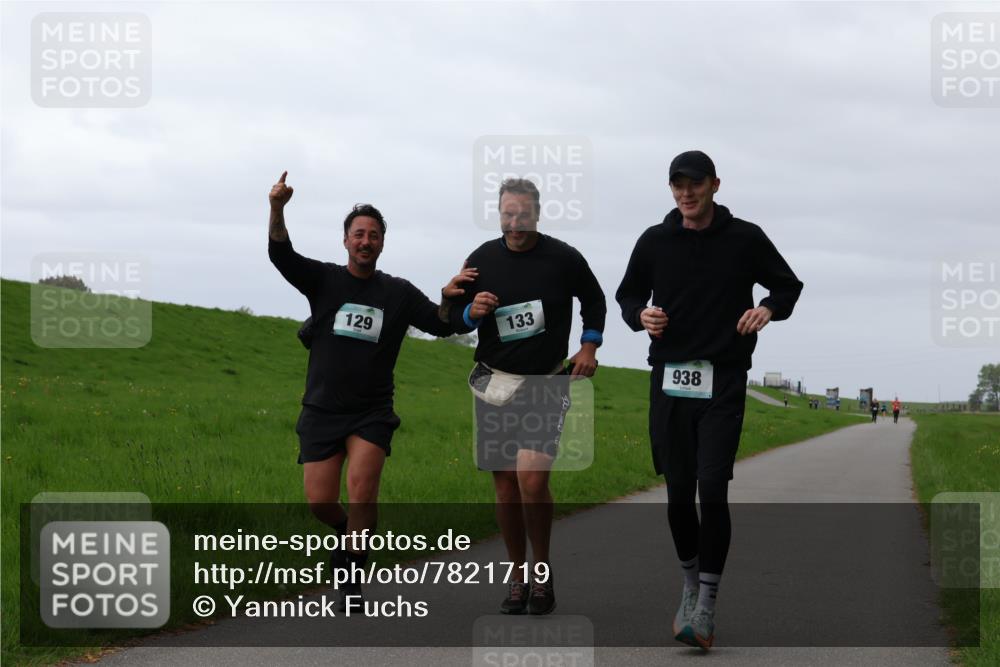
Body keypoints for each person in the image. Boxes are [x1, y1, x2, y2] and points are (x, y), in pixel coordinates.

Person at [267, 171, 491, 610]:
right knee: (320, 501)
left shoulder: (399, 293)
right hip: (322, 409)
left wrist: (458, 303)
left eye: (373, 235)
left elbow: (443, 324)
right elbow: (281, 254)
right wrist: (277, 207)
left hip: (371, 411)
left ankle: (351, 576)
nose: (365, 241)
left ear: (383, 243)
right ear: (346, 241)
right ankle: (348, 531)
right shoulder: (325, 281)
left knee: (363, 489)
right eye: (358, 235)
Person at [615, 150, 803, 650]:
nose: (686, 193)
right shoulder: (655, 241)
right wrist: (641, 318)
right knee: (678, 495)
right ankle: (690, 584)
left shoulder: (745, 238)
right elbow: (628, 296)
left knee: (712, 487)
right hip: (671, 381)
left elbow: (787, 286)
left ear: (715, 185)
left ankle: (707, 605)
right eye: (677, 185)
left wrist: (766, 308)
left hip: (723, 377)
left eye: (695, 184)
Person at [446, 178, 606, 616]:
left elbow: (594, 300)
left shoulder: (564, 258)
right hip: (494, 382)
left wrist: (589, 345)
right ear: (499, 214)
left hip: (546, 382)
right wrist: (465, 308)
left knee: (531, 481)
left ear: (537, 213)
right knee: (504, 487)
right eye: (507, 214)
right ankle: (517, 574)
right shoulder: (481, 259)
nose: (515, 223)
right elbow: (453, 319)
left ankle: (542, 569)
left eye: (523, 214)